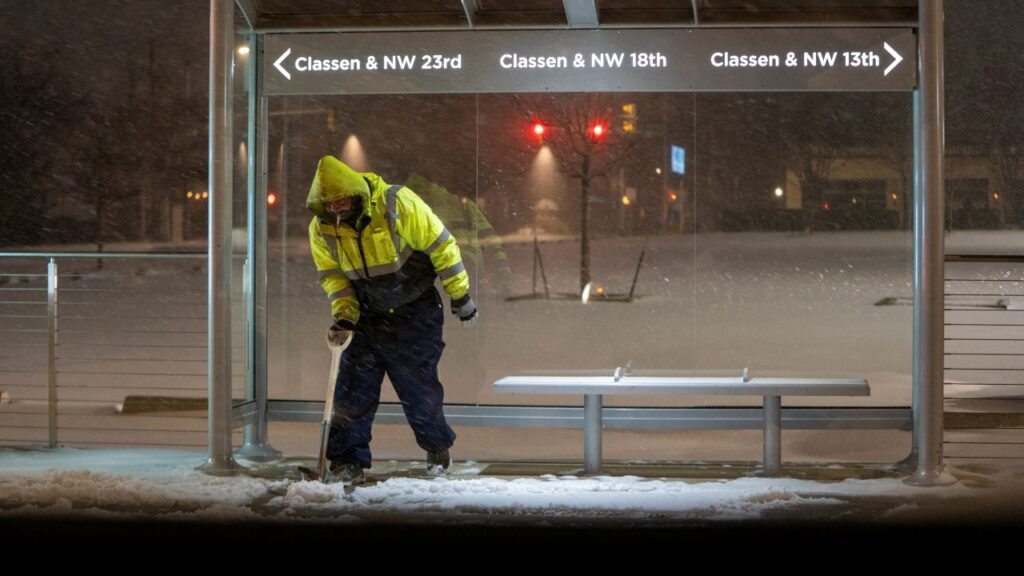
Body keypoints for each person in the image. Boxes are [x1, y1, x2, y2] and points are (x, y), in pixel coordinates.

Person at [306, 156, 477, 485]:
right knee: (353, 390)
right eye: (329, 203)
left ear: (356, 191)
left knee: (418, 387)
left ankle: (436, 448)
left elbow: (442, 246)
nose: (337, 206)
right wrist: (345, 316)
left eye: (341, 198)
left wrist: (460, 295)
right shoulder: (322, 230)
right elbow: (334, 278)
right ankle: (347, 461)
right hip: (367, 315)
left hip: (415, 309)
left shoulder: (397, 203)